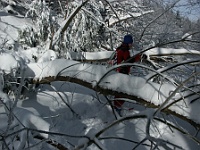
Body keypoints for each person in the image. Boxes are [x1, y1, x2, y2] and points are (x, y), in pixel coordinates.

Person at [114, 34, 141, 116]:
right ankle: (117, 107)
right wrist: (137, 58)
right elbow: (128, 61)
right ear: (128, 43)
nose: (131, 44)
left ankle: (117, 105)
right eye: (131, 43)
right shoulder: (124, 51)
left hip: (119, 71)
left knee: (120, 90)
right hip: (122, 73)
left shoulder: (120, 49)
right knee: (122, 90)